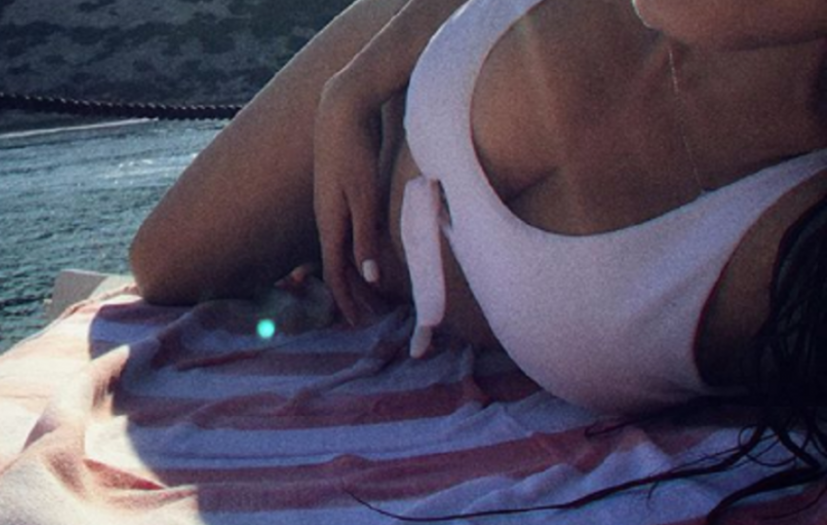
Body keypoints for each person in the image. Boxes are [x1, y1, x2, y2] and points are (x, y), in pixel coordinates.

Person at [131, 0, 826, 518]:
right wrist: (355, 88)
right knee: (165, 263)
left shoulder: (797, 233)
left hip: (385, 277)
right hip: (382, 90)